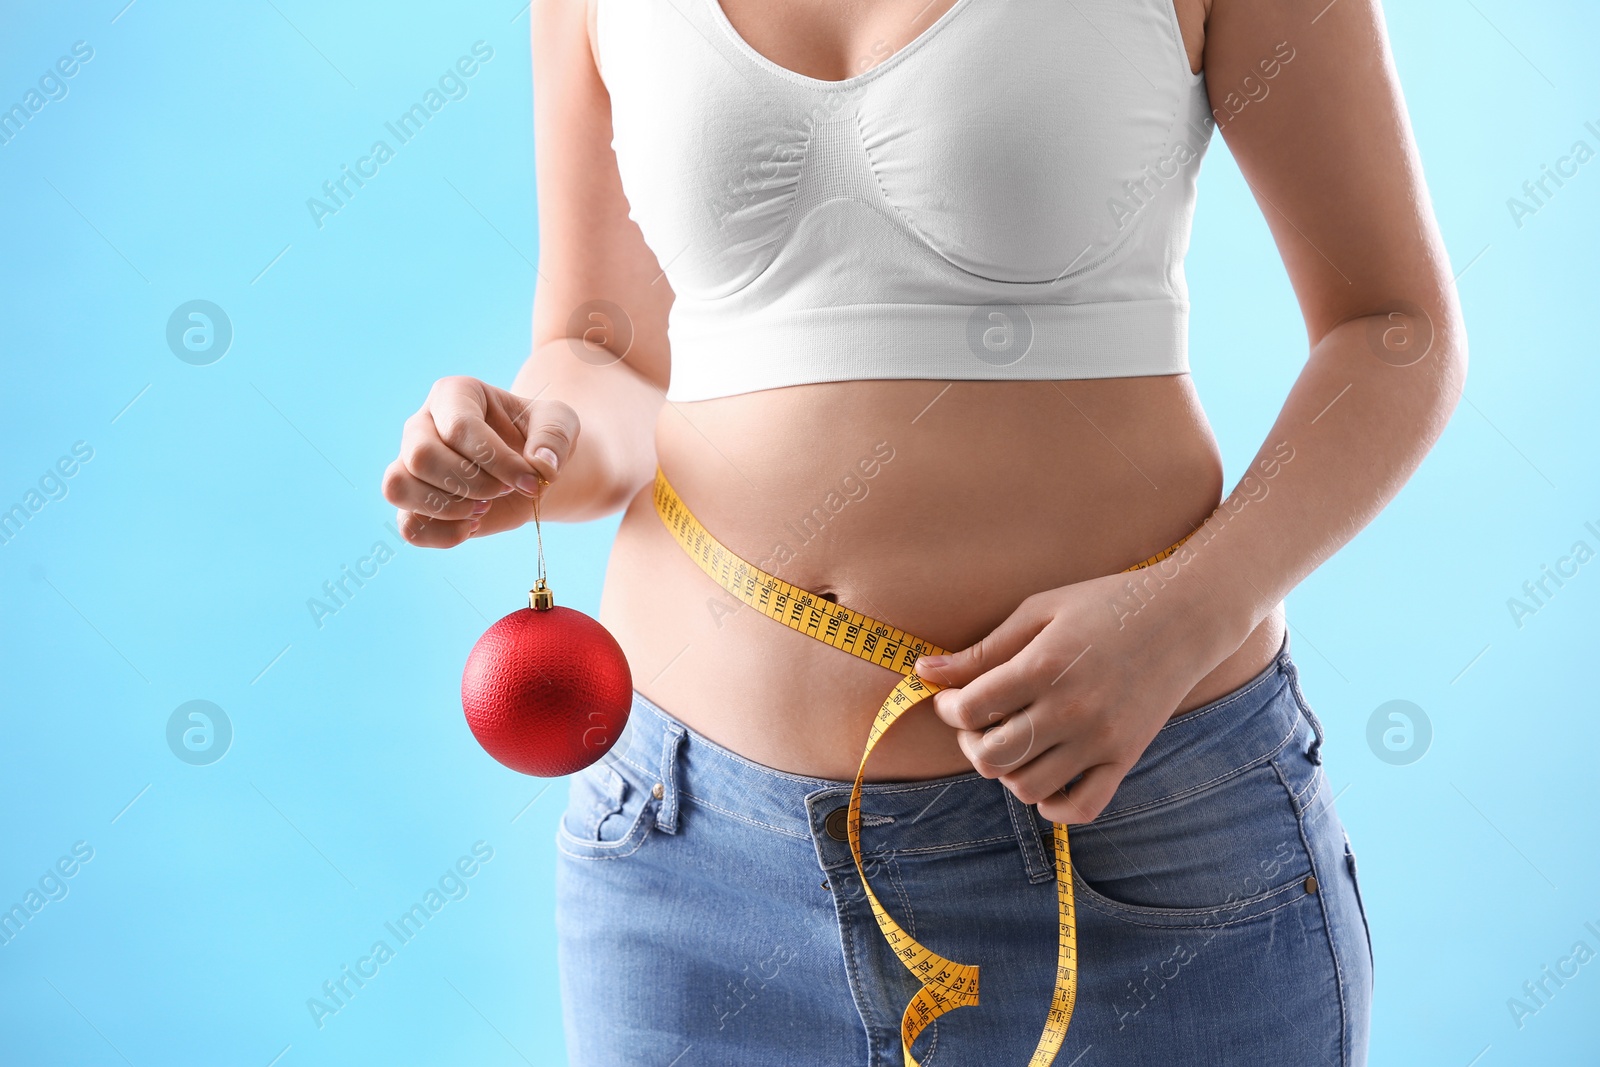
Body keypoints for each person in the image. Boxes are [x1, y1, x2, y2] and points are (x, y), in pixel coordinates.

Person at [383, 0, 1463, 1061]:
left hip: (1137, 842)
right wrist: (533, 442)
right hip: (686, 860)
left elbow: (1393, 327)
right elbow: (606, 352)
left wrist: (1185, 610)